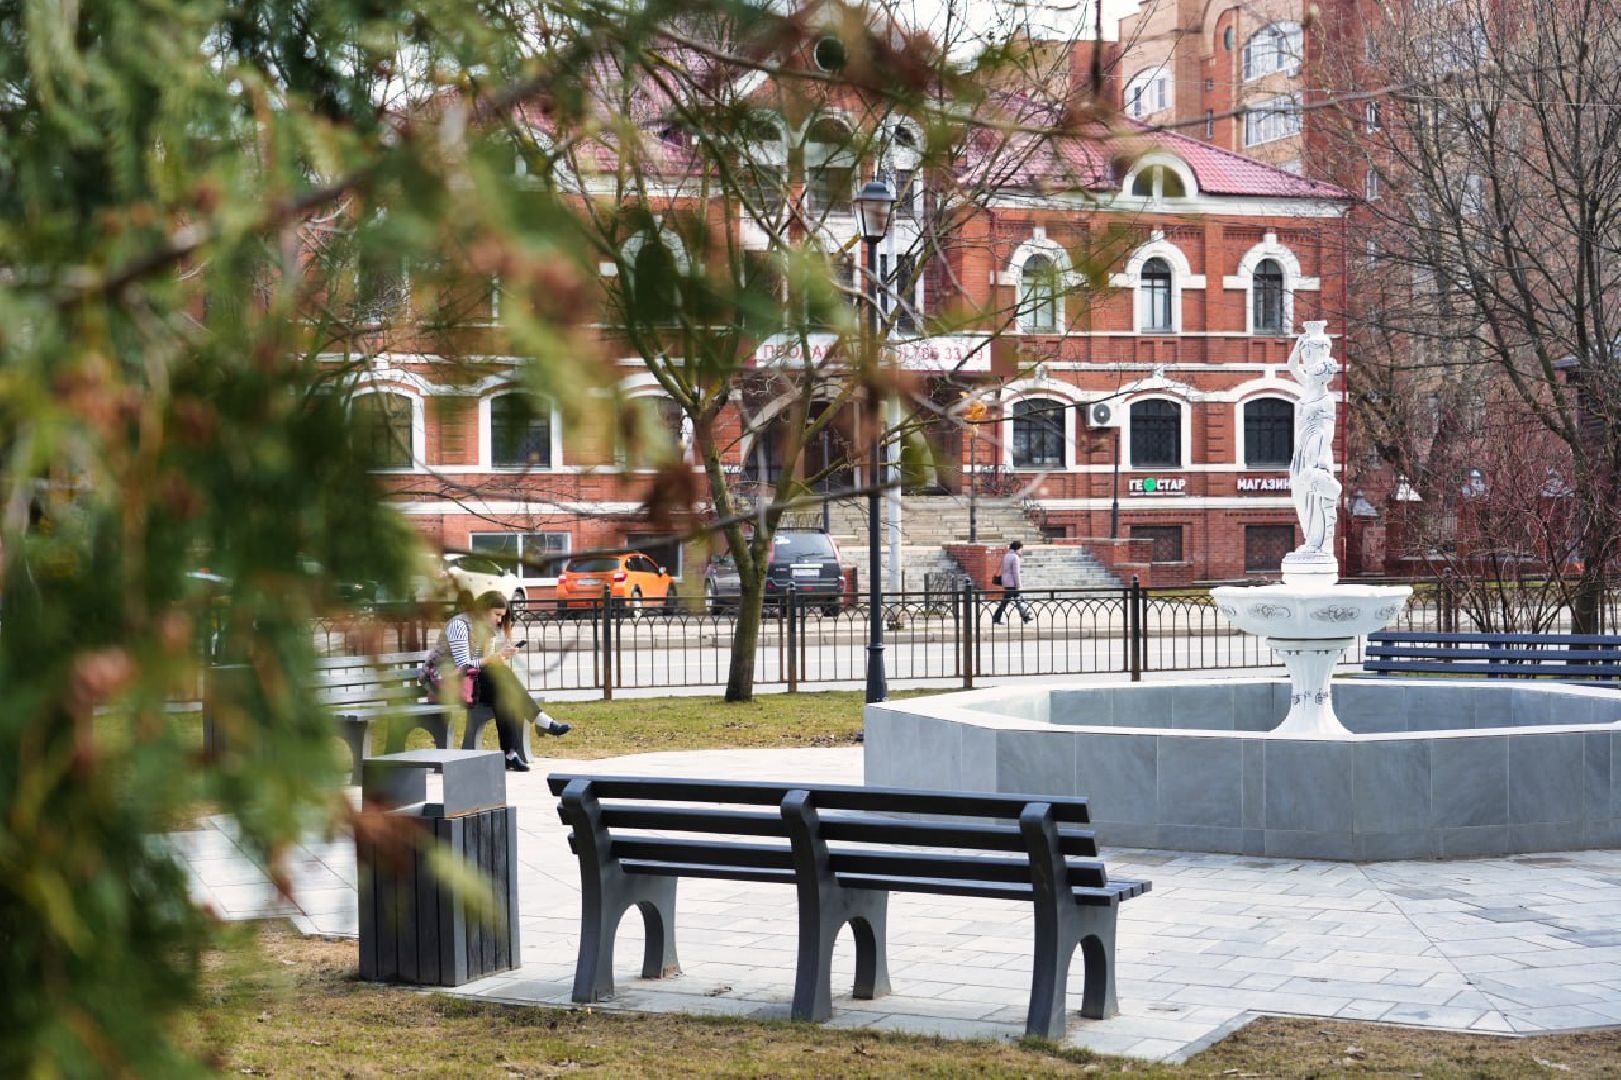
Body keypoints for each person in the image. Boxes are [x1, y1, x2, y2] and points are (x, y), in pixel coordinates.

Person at [422, 591, 569, 773]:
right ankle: (538, 723)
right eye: (497, 615)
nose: (499, 621)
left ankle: (510, 754)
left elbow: (481, 667)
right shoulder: (459, 625)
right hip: (445, 682)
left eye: (502, 616)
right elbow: (463, 666)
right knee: (500, 677)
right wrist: (494, 659)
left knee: (504, 691)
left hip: (469, 683)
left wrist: (497, 658)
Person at [991, 540, 1033, 625]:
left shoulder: (1006, 556)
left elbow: (1002, 569)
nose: (1021, 551)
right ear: (1017, 548)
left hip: (1005, 580)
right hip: (1012, 582)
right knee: (1016, 599)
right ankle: (1025, 616)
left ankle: (1024, 616)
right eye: (1020, 549)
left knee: (1008, 600)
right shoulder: (1015, 557)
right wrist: (1018, 585)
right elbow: (1016, 573)